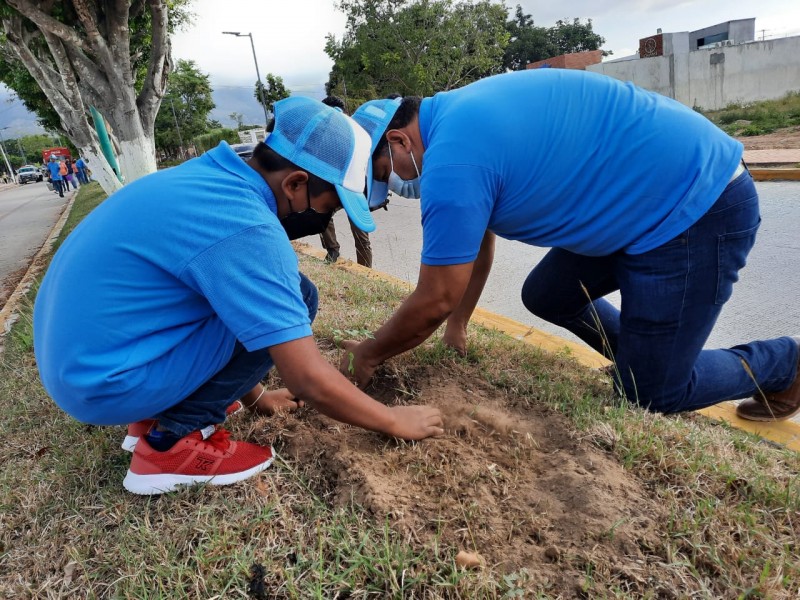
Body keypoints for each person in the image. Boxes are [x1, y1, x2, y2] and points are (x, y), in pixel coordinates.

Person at [34, 97, 443, 496]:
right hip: (107, 383)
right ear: (296, 184)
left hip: (88, 366)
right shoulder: (248, 228)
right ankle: (169, 445)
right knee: (299, 299)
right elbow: (307, 377)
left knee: (283, 294)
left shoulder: (211, 178)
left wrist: (258, 395)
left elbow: (226, 306)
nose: (326, 218)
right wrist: (392, 420)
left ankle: (155, 414)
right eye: (331, 205)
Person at [345, 69, 799, 422]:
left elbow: (435, 296)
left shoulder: (452, 158)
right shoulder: (458, 118)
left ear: (399, 139)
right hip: (637, 204)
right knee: (548, 294)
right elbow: (473, 248)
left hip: (692, 206)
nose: (402, 184)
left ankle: (786, 364)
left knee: (651, 395)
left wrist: (371, 351)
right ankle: (639, 359)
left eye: (388, 174)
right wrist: (458, 324)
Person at [318, 95, 375, 267]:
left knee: (359, 234)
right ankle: (337, 253)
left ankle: (361, 268)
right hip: (344, 188)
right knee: (321, 217)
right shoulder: (351, 130)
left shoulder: (349, 130)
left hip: (349, 189)